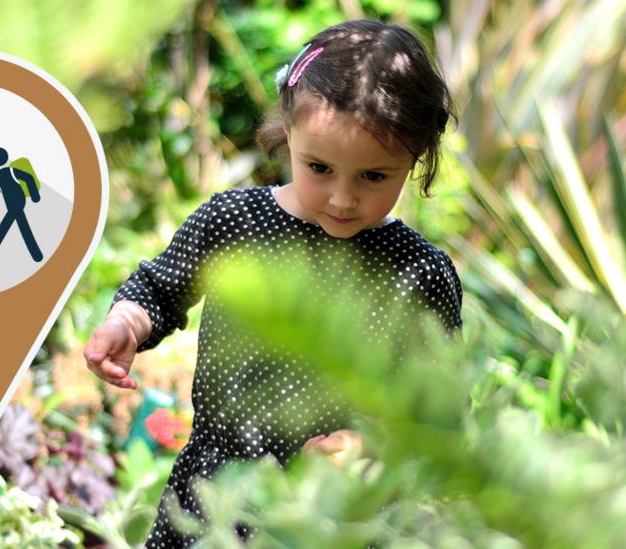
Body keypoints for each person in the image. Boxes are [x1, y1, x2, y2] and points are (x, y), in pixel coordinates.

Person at [84, 19, 462, 547]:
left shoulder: (417, 271)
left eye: (374, 176)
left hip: (338, 518)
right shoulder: (234, 222)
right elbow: (161, 286)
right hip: (215, 500)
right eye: (319, 167)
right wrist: (127, 321)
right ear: (288, 134)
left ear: (415, 159)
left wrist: (372, 446)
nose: (342, 198)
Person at [0, 147, 43, 262]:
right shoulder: (2, 174)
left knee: (17, 228)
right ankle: (36, 255)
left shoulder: (7, 173)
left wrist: (35, 196)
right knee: (18, 228)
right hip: (13, 205)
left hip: (16, 204)